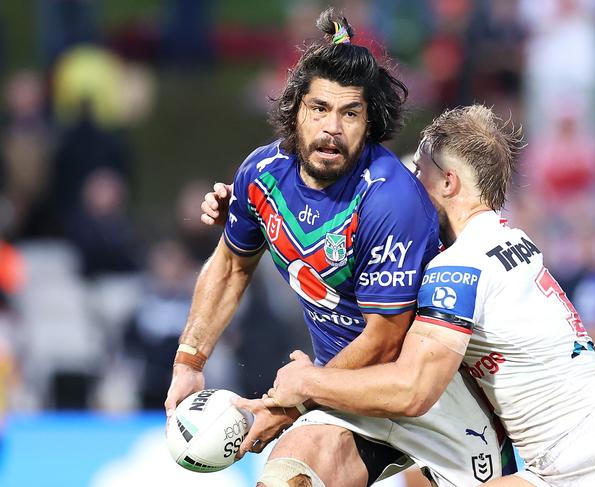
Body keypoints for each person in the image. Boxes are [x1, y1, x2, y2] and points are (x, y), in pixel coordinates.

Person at [170, 9, 507, 487]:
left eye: (350, 113)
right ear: (295, 112)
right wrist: (189, 362)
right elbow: (229, 266)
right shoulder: (261, 175)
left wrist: (289, 403)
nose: (332, 127)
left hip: (436, 395)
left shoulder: (388, 199)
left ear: (369, 123)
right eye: (319, 109)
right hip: (346, 393)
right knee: (288, 477)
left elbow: (385, 339)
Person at [263, 105, 595, 487]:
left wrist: (309, 382)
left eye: (418, 171)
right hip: (578, 448)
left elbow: (412, 390)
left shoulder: (459, 267)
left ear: (448, 183)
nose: (408, 184)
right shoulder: (512, 240)